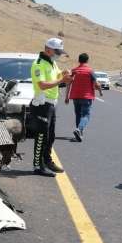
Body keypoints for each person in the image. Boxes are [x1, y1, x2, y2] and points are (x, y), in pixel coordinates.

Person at [30, 38, 72, 177]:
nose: (59, 54)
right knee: (42, 136)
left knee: (51, 136)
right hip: (42, 104)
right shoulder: (38, 64)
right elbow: (42, 84)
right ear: (48, 49)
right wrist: (62, 80)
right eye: (57, 51)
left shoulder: (52, 63)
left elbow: (55, 77)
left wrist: (63, 74)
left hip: (52, 103)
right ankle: (37, 166)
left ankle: (47, 161)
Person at [65, 53, 103, 142]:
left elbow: (68, 84)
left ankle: (79, 135)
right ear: (87, 60)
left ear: (79, 60)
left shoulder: (74, 70)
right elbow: (96, 84)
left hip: (75, 97)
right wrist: (100, 92)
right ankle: (79, 129)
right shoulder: (90, 71)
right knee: (86, 115)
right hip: (86, 97)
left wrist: (66, 97)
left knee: (78, 115)